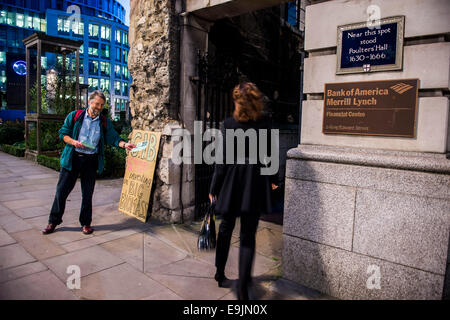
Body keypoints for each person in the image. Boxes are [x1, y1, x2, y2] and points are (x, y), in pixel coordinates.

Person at [209, 82, 278, 300]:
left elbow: (221, 161)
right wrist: (273, 179)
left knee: (226, 227)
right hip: (255, 181)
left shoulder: (229, 124)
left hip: (232, 179)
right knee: (248, 234)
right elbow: (271, 155)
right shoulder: (265, 122)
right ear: (257, 101)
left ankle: (220, 272)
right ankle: (242, 288)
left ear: (237, 101)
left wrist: (214, 188)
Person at [42, 90, 135, 235]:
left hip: (90, 161)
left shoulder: (103, 121)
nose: (99, 107)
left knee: (87, 194)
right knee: (61, 192)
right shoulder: (75, 116)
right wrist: (73, 142)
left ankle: (85, 223)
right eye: (97, 104)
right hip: (73, 158)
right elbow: (63, 133)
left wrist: (124, 145)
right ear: (89, 102)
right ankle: (53, 221)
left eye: (101, 105)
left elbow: (113, 137)